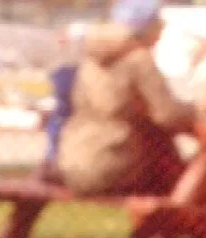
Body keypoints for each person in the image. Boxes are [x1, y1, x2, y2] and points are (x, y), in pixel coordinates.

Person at [55, 0, 196, 202]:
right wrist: (199, 111)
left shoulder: (91, 59)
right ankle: (183, 226)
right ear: (147, 27)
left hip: (73, 163)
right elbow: (167, 115)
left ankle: (155, 232)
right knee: (172, 163)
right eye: (159, 22)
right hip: (111, 167)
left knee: (156, 142)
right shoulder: (139, 59)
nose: (162, 28)